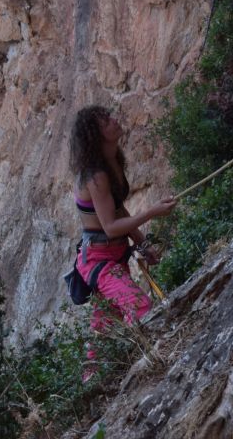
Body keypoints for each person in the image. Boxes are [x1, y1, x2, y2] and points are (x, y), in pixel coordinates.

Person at [69, 105, 176, 380]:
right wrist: (152, 212)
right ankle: (149, 368)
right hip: (100, 261)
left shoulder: (113, 160)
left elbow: (118, 209)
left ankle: (91, 384)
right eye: (106, 121)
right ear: (96, 135)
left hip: (113, 257)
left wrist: (141, 243)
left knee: (104, 329)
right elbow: (110, 226)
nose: (114, 120)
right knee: (139, 307)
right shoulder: (96, 175)